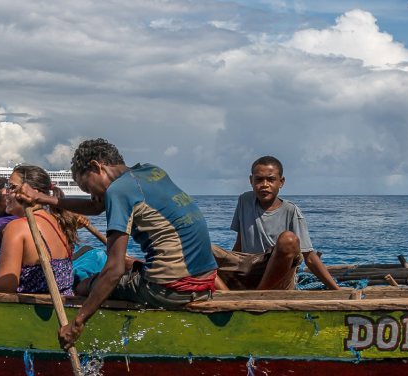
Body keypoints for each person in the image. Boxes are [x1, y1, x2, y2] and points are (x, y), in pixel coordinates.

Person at [18, 138, 217, 348]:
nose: (91, 195)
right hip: (205, 281)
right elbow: (96, 207)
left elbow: (114, 269)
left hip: (170, 290)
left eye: (87, 187)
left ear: (97, 166)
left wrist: (77, 323)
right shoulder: (151, 171)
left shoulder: (118, 191)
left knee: (85, 284)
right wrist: (43, 198)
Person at [214, 156, 340, 291]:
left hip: (276, 276)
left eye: (271, 179)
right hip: (249, 269)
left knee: (288, 240)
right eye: (259, 179)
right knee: (203, 250)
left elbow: (308, 256)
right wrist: (229, 270)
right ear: (251, 180)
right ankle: (225, 294)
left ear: (281, 182)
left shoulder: (291, 211)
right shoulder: (244, 201)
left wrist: (336, 289)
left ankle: (260, 295)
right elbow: (240, 243)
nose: (265, 184)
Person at [0, 165, 76, 295]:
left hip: (33, 311)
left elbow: (6, 288)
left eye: (12, 187)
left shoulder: (17, 227)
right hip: (67, 302)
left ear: (32, 193)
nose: (6, 192)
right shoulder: (58, 221)